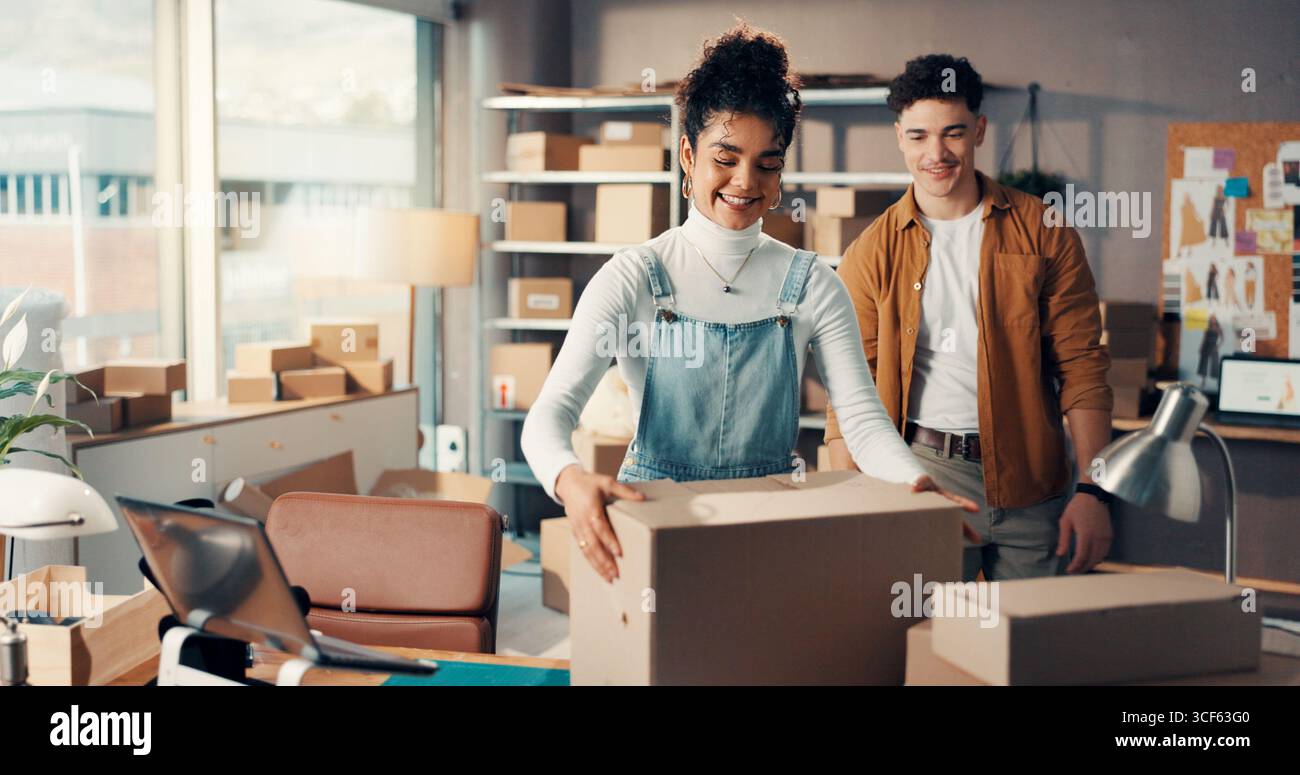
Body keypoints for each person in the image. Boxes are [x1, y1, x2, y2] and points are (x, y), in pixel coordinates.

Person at [521, 25, 975, 583]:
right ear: (688, 156)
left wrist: (915, 483)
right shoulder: (632, 277)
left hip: (771, 521)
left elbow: (861, 420)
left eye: (767, 162)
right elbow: (548, 416)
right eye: (725, 158)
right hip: (653, 526)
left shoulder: (812, 284)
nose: (745, 181)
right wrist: (569, 478)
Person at [824, 54, 1115, 581]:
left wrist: (1094, 491)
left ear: (979, 130)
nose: (935, 154)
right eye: (918, 136)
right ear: (899, 138)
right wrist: (856, 502)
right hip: (923, 476)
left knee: (1030, 652)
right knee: (930, 643)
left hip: (1032, 483)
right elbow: (850, 391)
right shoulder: (871, 252)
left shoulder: (1044, 231)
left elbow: (1083, 369)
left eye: (952, 133)